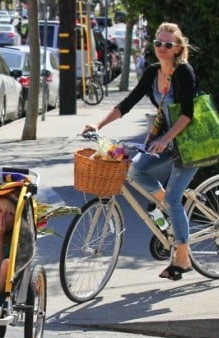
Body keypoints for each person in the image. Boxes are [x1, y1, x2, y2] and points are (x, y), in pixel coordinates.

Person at [83, 22, 198, 281]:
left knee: (173, 199)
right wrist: (98, 124)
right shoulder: (152, 72)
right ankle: (167, 206)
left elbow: (188, 114)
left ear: (178, 48)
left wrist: (166, 138)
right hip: (164, 141)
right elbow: (127, 103)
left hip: (190, 143)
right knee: (135, 169)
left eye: (168, 44)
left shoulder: (184, 72)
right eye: (158, 43)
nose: (162, 48)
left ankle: (183, 256)